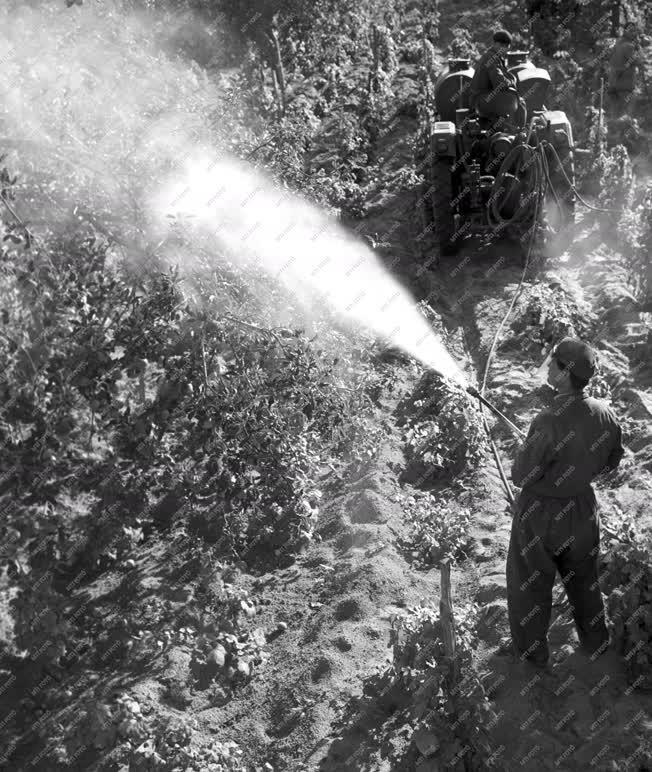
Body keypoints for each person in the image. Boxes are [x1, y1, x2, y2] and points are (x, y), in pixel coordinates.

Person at [505, 337, 624, 671]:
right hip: (584, 510)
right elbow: (612, 459)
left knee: (530, 583)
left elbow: (521, 474)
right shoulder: (605, 412)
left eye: (553, 362)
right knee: (584, 579)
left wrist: (541, 436)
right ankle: (596, 642)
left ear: (562, 372)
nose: (549, 365)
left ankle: (534, 656)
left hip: (541, 516)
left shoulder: (547, 421)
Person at [469, 30, 526, 129]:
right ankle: (520, 135)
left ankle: (510, 130)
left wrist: (510, 79)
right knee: (520, 103)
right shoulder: (491, 58)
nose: (506, 52)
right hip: (483, 100)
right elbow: (500, 83)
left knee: (515, 99)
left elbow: (503, 77)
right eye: (505, 48)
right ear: (498, 45)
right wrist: (512, 81)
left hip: (483, 98)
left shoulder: (492, 56)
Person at [607, 22, 642, 116]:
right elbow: (639, 61)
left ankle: (612, 129)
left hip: (613, 82)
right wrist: (639, 48)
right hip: (625, 85)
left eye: (635, 31)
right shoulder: (629, 46)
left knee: (615, 113)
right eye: (632, 31)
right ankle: (622, 129)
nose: (634, 33)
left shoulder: (617, 42)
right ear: (626, 32)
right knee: (624, 115)